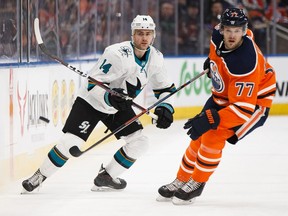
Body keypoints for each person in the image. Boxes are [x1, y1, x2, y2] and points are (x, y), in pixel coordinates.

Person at [22, 15, 176, 193]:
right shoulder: (116, 53)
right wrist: (109, 97)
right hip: (91, 101)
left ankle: (107, 176)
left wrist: (166, 108)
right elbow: (92, 84)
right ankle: (39, 176)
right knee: (70, 142)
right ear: (132, 35)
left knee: (140, 142)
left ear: (153, 36)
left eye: (148, 33)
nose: (144, 37)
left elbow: (165, 88)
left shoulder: (156, 59)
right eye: (140, 33)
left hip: (119, 107)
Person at [157, 8, 276, 205]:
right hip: (225, 95)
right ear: (221, 28)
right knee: (197, 137)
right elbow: (217, 51)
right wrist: (213, 61)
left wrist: (213, 119)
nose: (231, 35)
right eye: (228, 29)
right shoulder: (216, 34)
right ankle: (182, 179)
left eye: (237, 31)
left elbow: (242, 109)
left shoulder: (246, 62)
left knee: (212, 135)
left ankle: (197, 183)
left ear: (244, 31)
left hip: (253, 103)